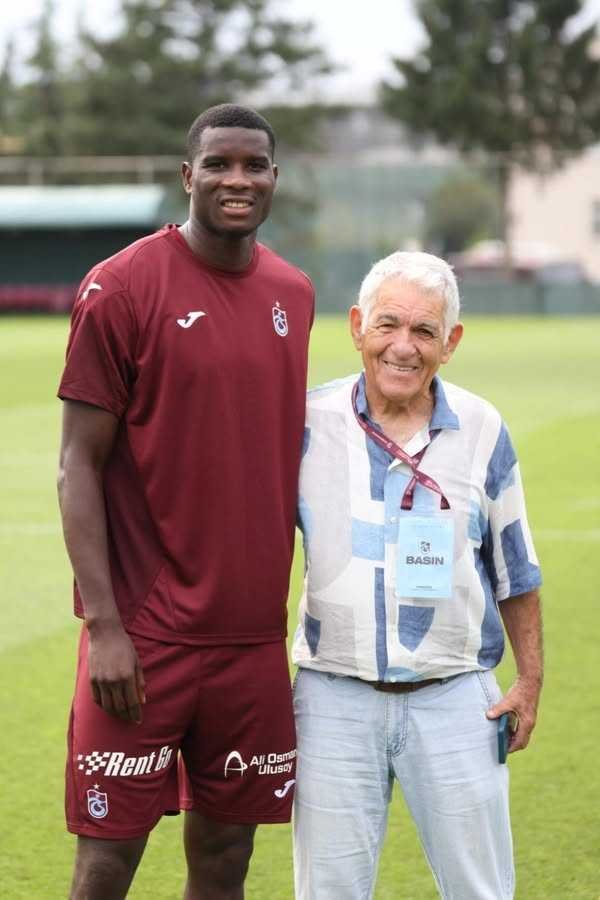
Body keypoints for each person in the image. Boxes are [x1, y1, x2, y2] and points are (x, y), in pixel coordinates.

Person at [57, 103, 314, 900]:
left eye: (254, 165)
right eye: (219, 164)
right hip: (143, 639)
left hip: (251, 642)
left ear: (274, 178)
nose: (238, 179)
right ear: (187, 176)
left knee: (227, 859)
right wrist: (104, 627)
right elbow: (76, 465)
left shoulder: (293, 292)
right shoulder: (122, 286)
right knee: (107, 864)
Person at [292, 251, 542, 900]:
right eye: (388, 324)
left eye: (425, 331)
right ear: (357, 326)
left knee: (480, 890)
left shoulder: (483, 429)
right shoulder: (306, 424)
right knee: (328, 891)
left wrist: (530, 680)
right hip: (332, 698)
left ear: (450, 342)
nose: (403, 347)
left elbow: (516, 565)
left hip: (457, 697)